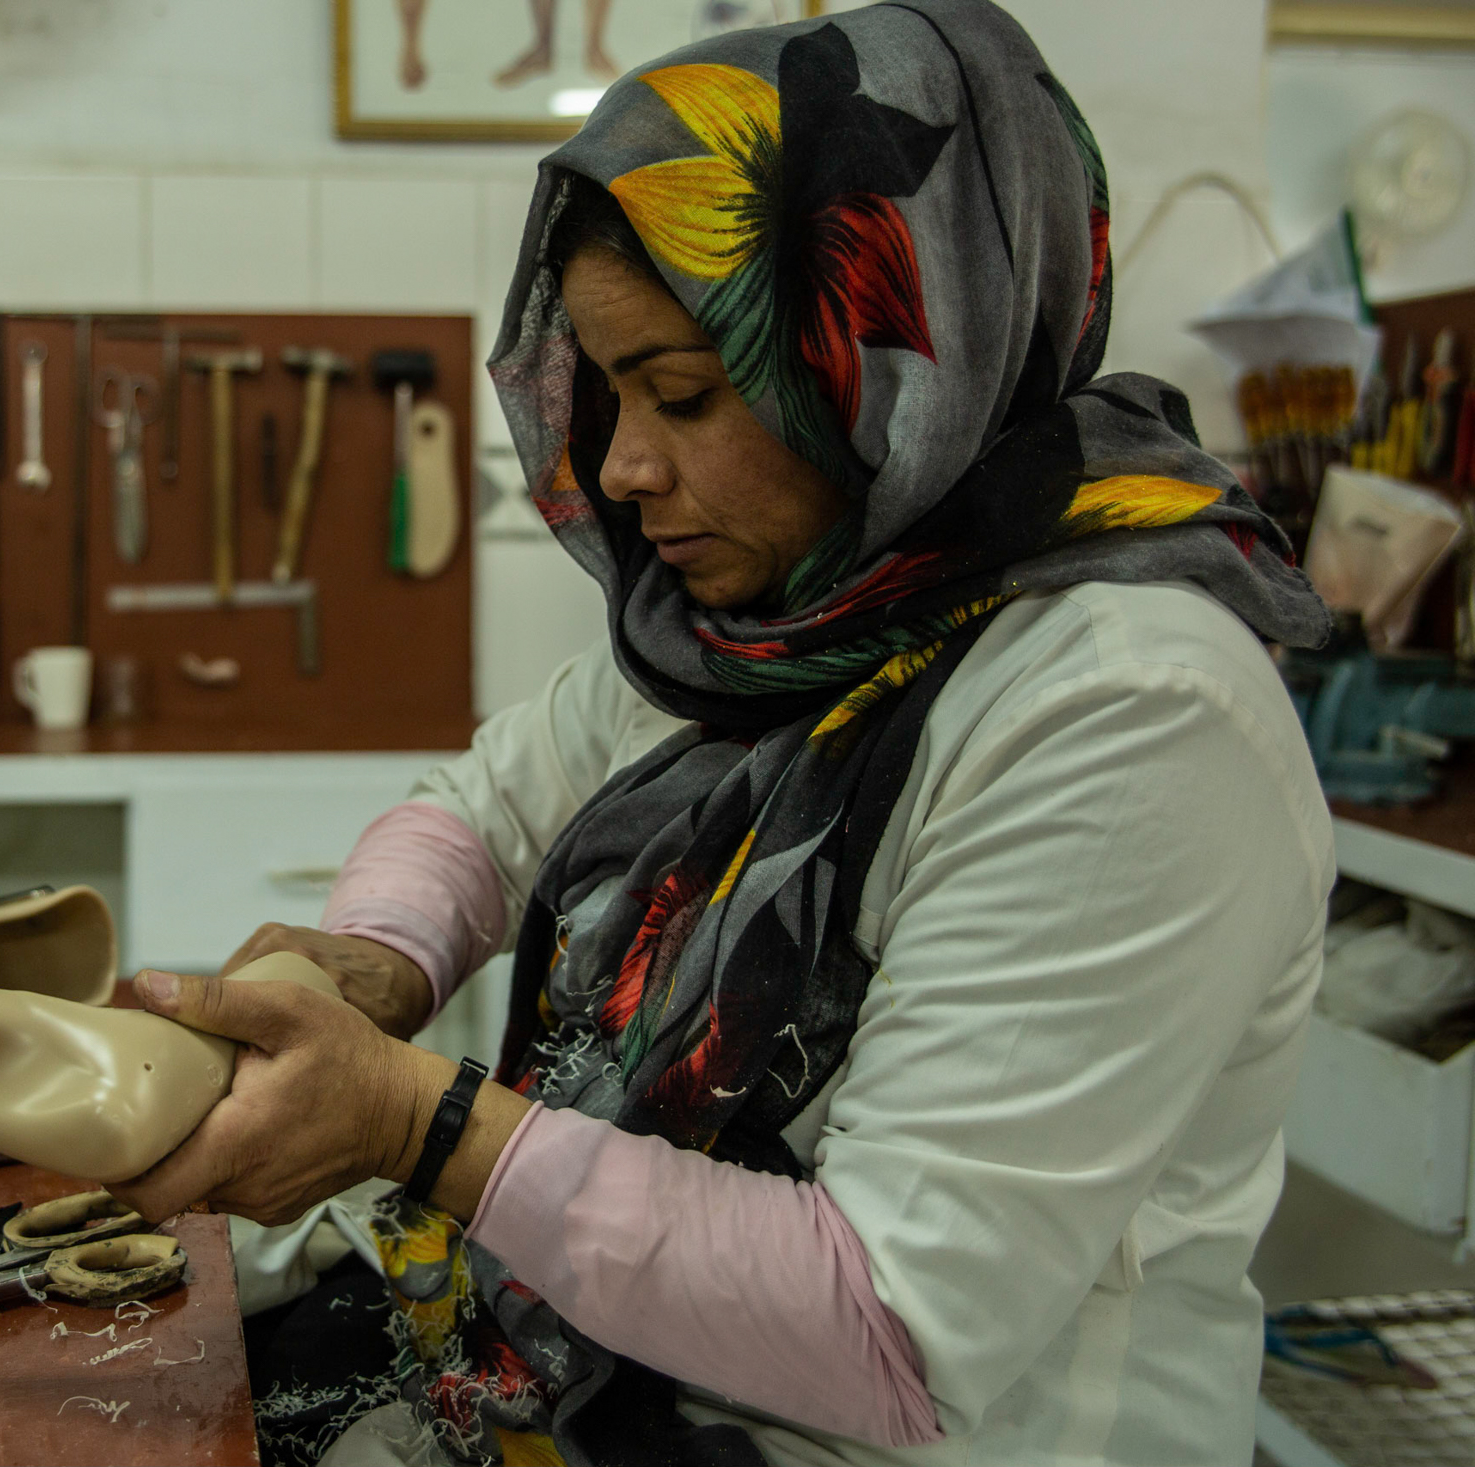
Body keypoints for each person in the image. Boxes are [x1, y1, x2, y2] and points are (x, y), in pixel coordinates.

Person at [108, 2, 1334, 1462]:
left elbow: (889, 1328)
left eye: (683, 395)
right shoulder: (774, 621)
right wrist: (381, 962)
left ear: (877, 360)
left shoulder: (1129, 718)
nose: (622, 469)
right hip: (617, 1386)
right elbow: (480, 810)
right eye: (612, 393)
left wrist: (417, 1128)